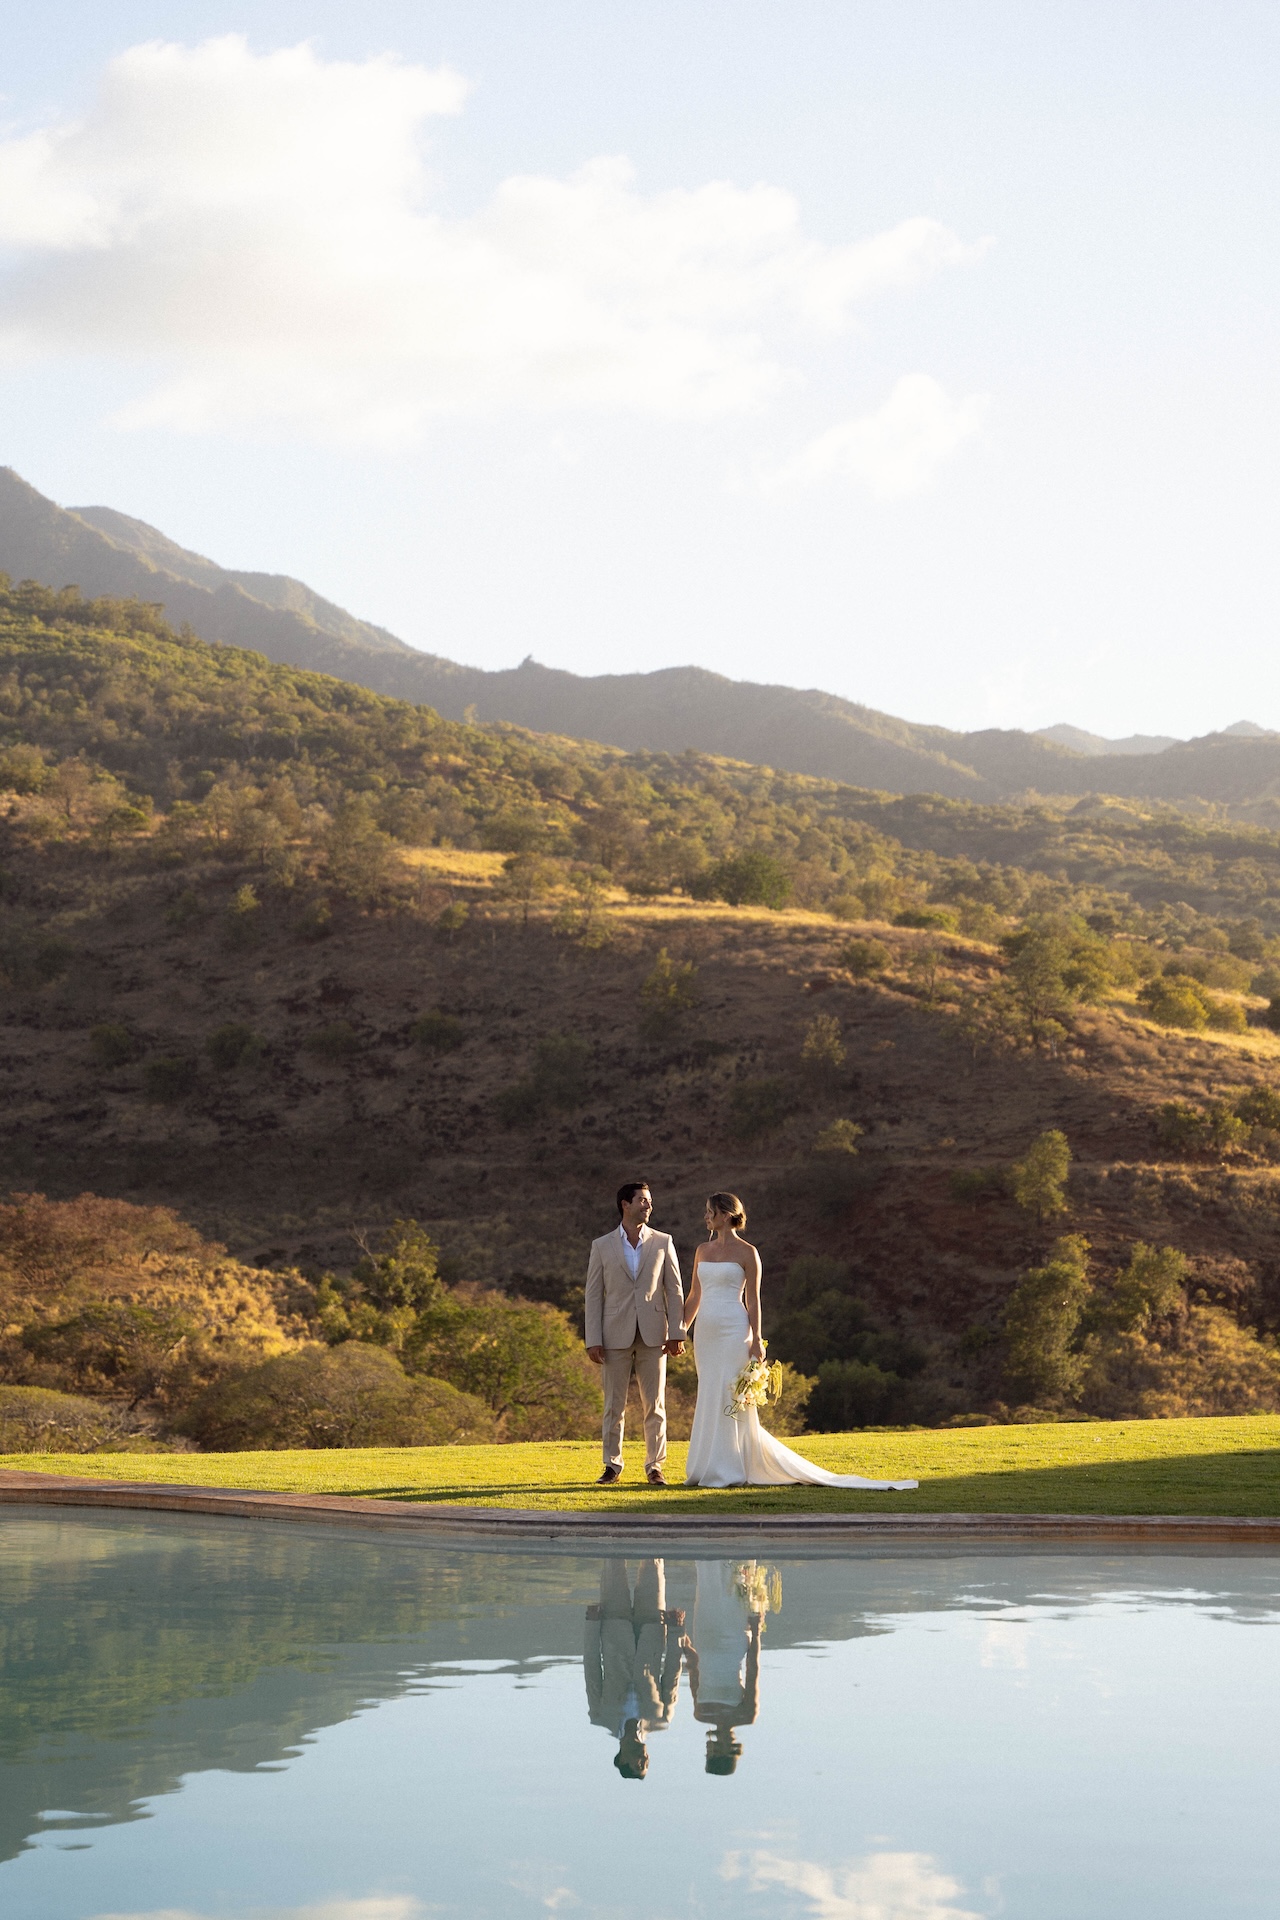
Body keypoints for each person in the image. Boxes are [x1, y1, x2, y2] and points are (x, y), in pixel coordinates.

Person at [682, 1191, 918, 1490]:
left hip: (733, 1330)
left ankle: (728, 1467)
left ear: (726, 1215)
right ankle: (704, 1467)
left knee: (731, 1394)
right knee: (709, 1392)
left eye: (710, 1211)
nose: (706, 1216)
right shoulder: (702, 1250)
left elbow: (754, 1301)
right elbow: (694, 1296)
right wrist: (679, 1331)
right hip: (706, 1334)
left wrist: (756, 1338)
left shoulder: (748, 1252)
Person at [584, 1180, 686, 1487]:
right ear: (624, 1204)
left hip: (656, 1334)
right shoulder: (601, 1246)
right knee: (613, 1404)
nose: (648, 1205)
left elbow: (675, 1289)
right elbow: (593, 1295)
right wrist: (593, 1339)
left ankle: (655, 1467)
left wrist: (678, 1331)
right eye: (642, 1200)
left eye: (650, 1200)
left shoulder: (663, 1241)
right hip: (613, 1334)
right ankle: (611, 1466)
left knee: (654, 1404)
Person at [583, 1557, 685, 1779]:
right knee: (653, 1563)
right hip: (653, 1630)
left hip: (613, 1629)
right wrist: (676, 1631)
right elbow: (672, 1675)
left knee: (613, 1563)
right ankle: (654, 1522)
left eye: (639, 1765)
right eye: (646, 1764)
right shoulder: (661, 1718)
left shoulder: (600, 1716)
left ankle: (613, 1523)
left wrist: (592, 1625)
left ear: (622, 1760)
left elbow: (592, 1670)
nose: (644, 1759)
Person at [680, 1560, 763, 1775]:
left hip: (705, 1641)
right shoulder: (746, 1715)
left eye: (711, 1753)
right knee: (734, 1594)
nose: (713, 1749)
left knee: (707, 1590)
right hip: (732, 1645)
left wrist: (682, 1638)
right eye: (717, 1753)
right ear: (729, 1752)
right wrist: (756, 1631)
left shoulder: (701, 1714)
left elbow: (693, 1671)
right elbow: (752, 1670)